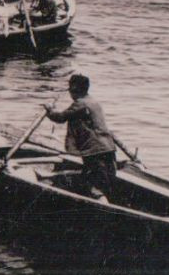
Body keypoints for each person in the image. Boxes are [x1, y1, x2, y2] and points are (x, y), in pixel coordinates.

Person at [44, 73, 127, 201]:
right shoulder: (93, 102)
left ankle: (103, 209)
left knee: (95, 187)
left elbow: (60, 118)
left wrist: (50, 111)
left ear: (74, 89)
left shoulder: (80, 104)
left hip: (94, 151)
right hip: (108, 148)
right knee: (105, 183)